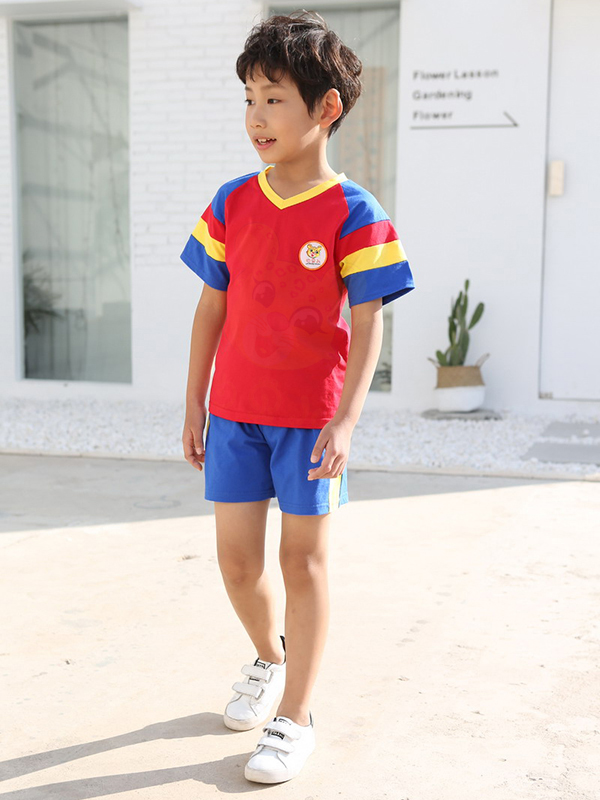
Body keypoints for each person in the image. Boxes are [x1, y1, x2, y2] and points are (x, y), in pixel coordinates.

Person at [180, 10, 415, 784]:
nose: (256, 117)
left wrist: (347, 420)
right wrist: (194, 403)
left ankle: (297, 714)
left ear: (326, 107)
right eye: (249, 99)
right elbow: (210, 308)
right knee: (237, 563)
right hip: (234, 416)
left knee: (302, 560)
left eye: (274, 99)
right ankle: (268, 656)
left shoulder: (356, 213)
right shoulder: (230, 203)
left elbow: (369, 322)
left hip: (310, 424)